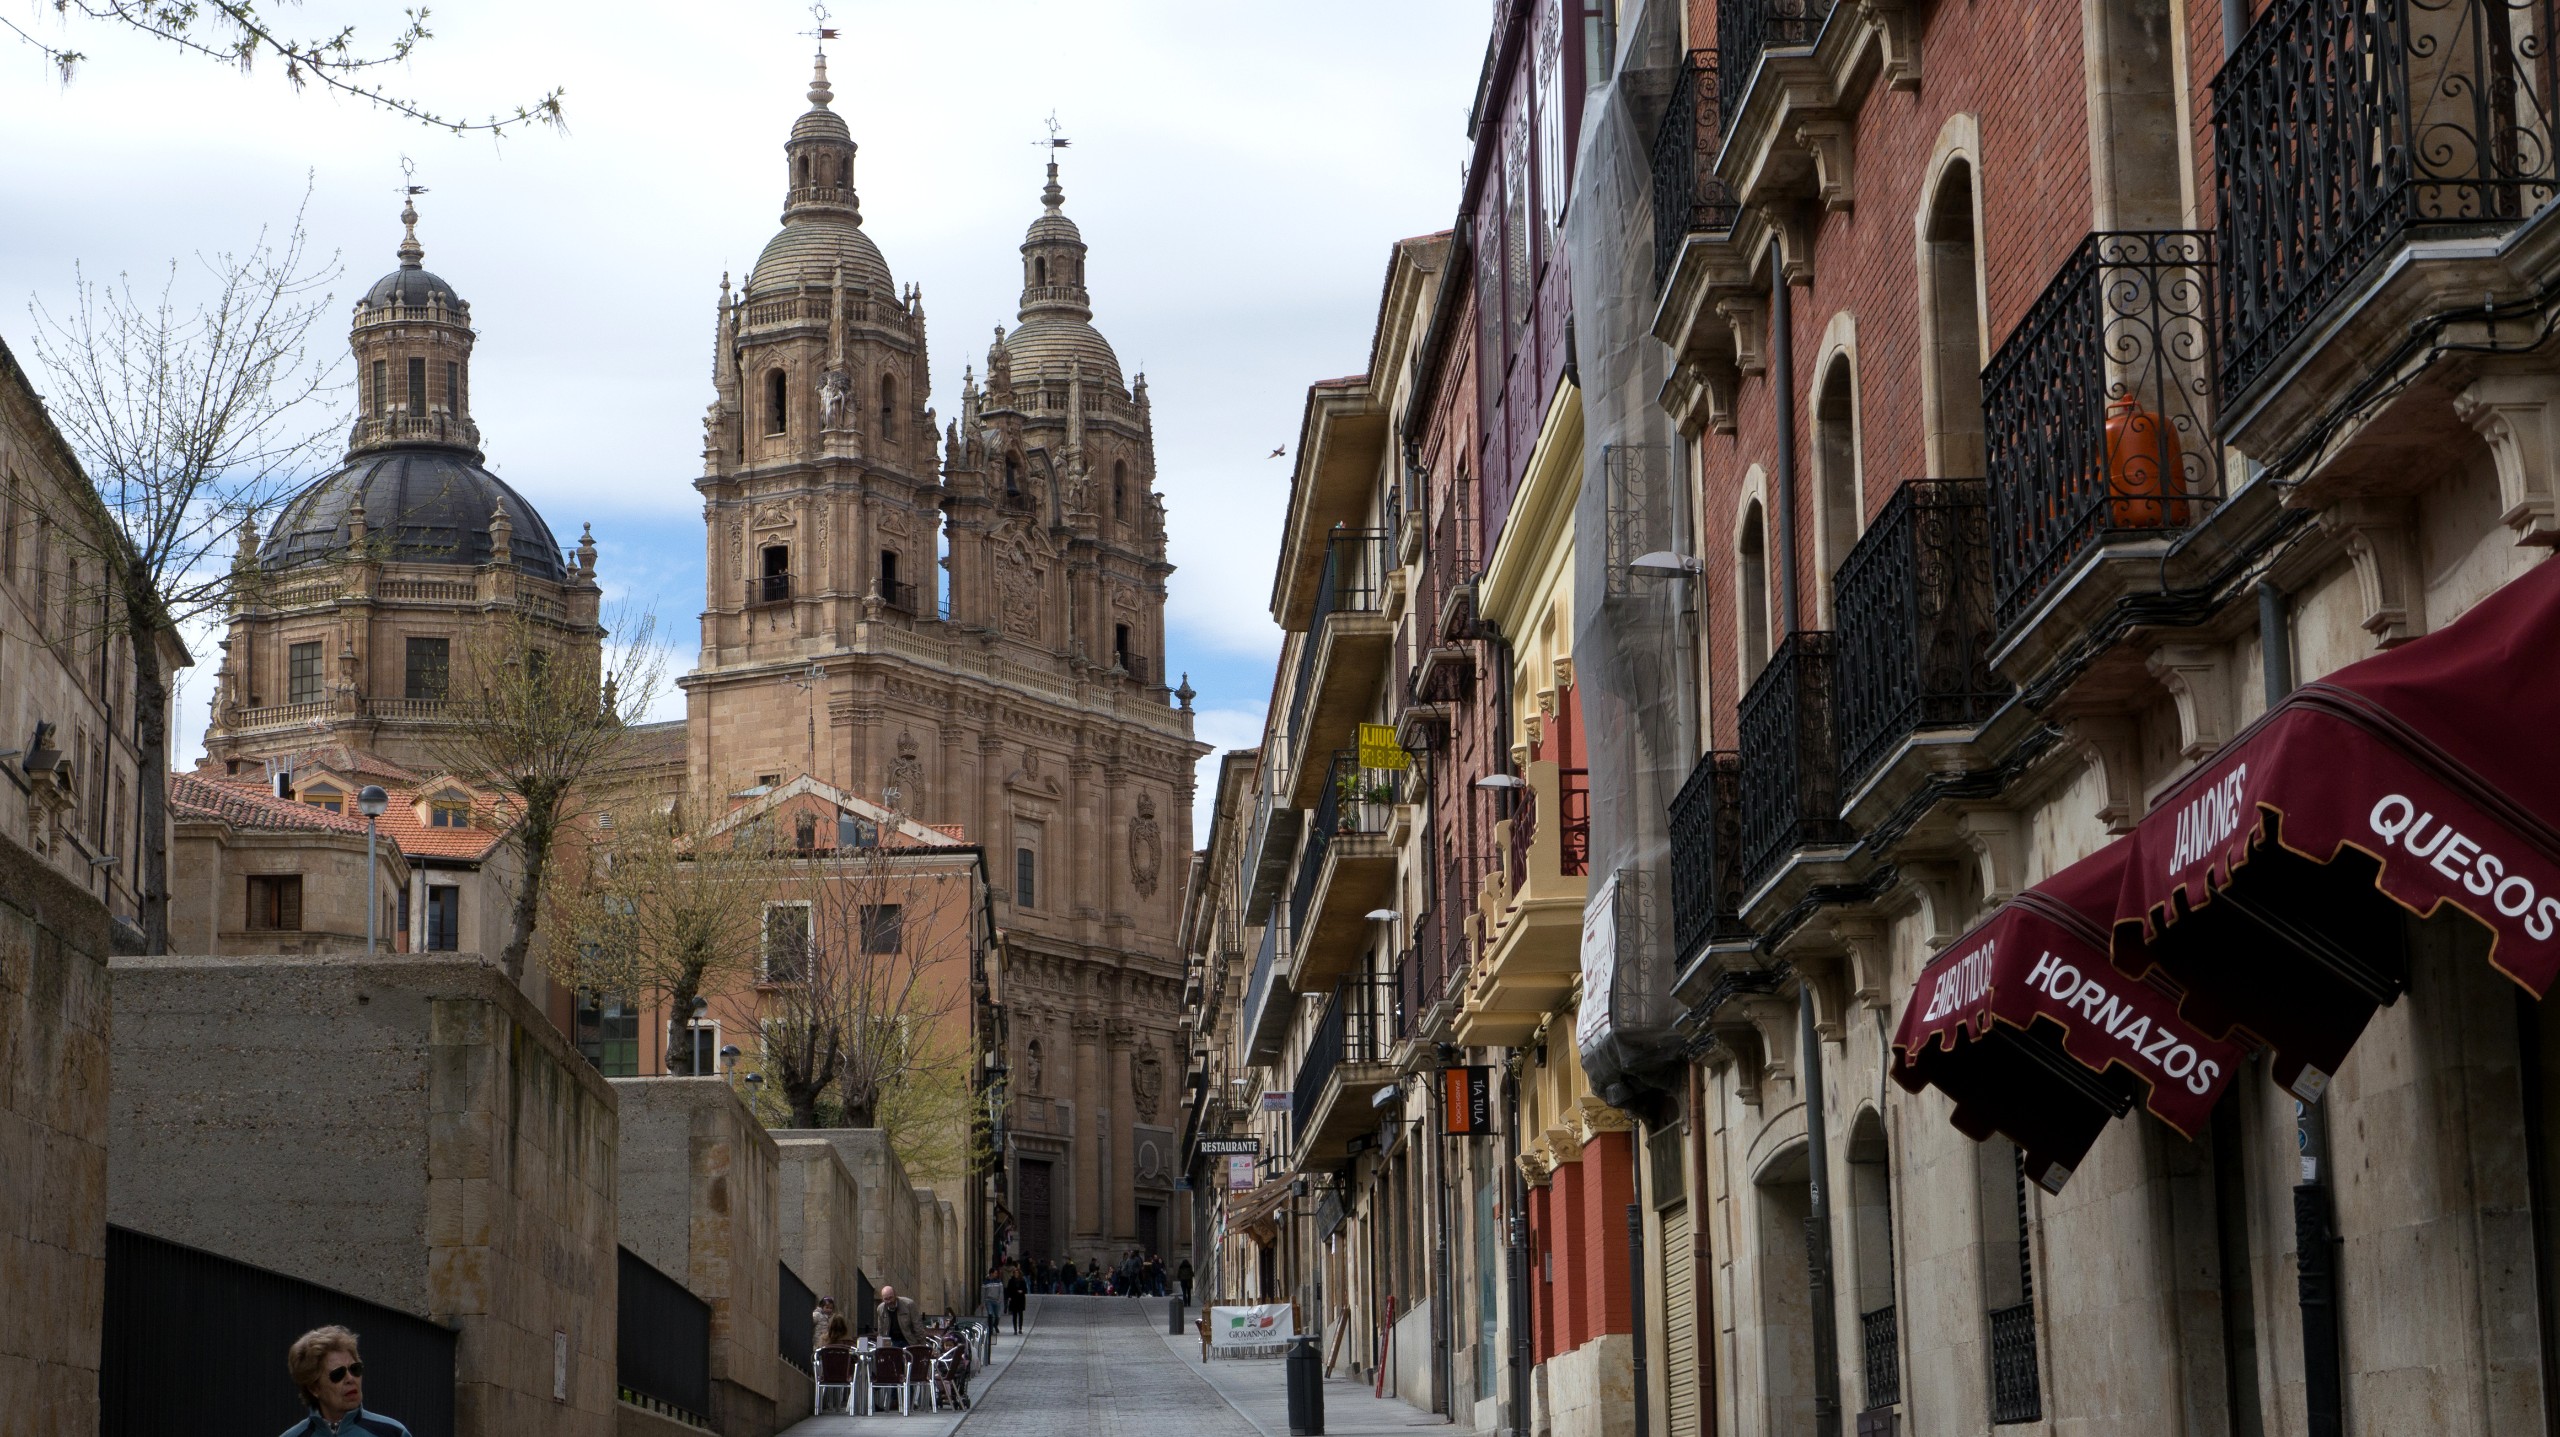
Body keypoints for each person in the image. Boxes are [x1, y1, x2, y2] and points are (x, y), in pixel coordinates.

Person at [279, 1325, 409, 1437]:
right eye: (338, 1374)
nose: (350, 1379)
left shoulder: (393, 1433)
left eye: (355, 1369)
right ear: (314, 1388)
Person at [876, 1283, 925, 1348]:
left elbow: (918, 1326)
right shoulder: (880, 1309)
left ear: (895, 1295)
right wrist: (880, 1348)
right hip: (891, 1342)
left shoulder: (909, 1305)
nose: (889, 1301)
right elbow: (881, 1330)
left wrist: (921, 1346)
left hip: (909, 1341)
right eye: (886, 1299)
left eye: (890, 1298)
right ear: (882, 1299)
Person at [1004, 1265, 1028, 1333]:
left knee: (1020, 1315)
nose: (1016, 1274)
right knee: (1014, 1315)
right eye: (1015, 1273)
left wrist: (1022, 1291)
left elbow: (1025, 1290)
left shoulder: (1022, 1281)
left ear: (1019, 1274)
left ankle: (1020, 1328)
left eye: (1017, 1273)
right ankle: (1015, 1329)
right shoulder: (1011, 1281)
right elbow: (1008, 1290)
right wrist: (1009, 1297)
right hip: (1014, 1299)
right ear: (1014, 1274)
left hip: (1020, 1299)